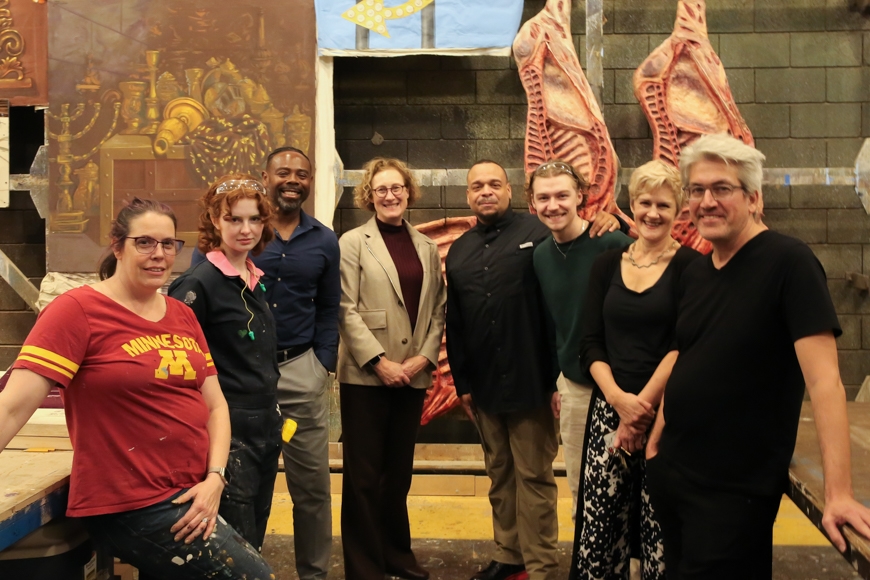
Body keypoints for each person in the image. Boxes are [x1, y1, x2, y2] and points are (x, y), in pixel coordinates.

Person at [0, 198, 273, 580]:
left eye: (167, 244)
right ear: (117, 246)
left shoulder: (181, 314)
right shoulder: (76, 310)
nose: (158, 254)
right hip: (133, 503)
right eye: (144, 242)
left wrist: (215, 477)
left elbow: (215, 407)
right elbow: (12, 407)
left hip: (195, 489)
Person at [645, 133, 870, 579]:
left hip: (733, 492)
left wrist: (838, 492)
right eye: (696, 190)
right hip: (673, 473)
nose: (706, 201)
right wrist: (658, 435)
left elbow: (825, 382)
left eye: (722, 189)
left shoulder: (789, 263)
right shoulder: (698, 271)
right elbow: (687, 353)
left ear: (754, 198)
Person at [445, 159, 622, 580]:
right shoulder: (460, 250)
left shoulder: (541, 234)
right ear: (469, 195)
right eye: (476, 186)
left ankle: (541, 565)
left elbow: (552, 312)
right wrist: (462, 380)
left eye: (493, 184)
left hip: (533, 381)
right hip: (484, 384)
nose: (485, 191)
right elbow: (456, 320)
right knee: (499, 476)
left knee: (534, 478)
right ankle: (509, 555)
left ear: (510, 191)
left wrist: (553, 381)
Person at [191, 146, 340, 580]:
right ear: (266, 177)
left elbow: (330, 306)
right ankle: (239, 569)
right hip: (238, 386)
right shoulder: (216, 259)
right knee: (240, 487)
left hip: (299, 371)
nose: (293, 180)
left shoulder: (323, 239)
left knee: (311, 488)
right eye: (283, 172)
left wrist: (322, 364)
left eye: (302, 174)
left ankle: (313, 574)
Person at [569, 160, 701, 580]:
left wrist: (641, 407)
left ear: (679, 209)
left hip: (665, 416)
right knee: (599, 529)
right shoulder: (607, 264)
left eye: (664, 204)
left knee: (660, 529)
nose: (653, 213)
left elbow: (686, 344)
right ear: (632, 203)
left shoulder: (691, 268)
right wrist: (619, 402)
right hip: (610, 410)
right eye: (645, 202)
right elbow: (589, 343)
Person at [336, 157, 446, 580]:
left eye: (396, 187)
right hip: (366, 375)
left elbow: (437, 307)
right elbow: (344, 308)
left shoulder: (426, 245)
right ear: (369, 195)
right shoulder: (352, 242)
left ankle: (397, 555)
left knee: (397, 474)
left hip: (412, 375)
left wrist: (424, 357)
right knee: (363, 477)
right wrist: (379, 362)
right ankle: (365, 568)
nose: (389, 195)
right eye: (380, 189)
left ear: (408, 191)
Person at [169, 175, 281, 551]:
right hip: (227, 431)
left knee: (256, 536)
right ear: (215, 220)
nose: (245, 229)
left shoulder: (255, 279)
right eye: (234, 219)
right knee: (236, 543)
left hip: (265, 425)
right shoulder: (198, 283)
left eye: (254, 219)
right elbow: (179, 365)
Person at [529, 159, 632, 523]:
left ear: (580, 197)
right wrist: (557, 381)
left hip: (623, 388)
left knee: (627, 491)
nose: (553, 205)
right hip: (575, 387)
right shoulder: (541, 254)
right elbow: (555, 321)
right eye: (544, 198)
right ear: (532, 204)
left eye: (561, 195)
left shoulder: (613, 243)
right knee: (583, 490)